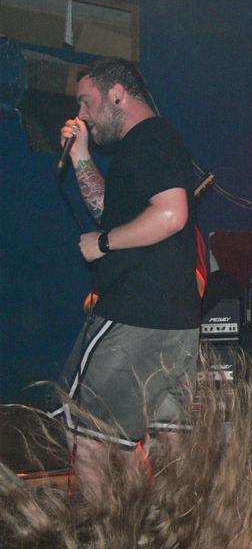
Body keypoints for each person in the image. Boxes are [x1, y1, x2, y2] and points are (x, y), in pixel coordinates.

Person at [53, 58, 200, 501]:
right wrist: (81, 156)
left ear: (117, 94)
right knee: (166, 440)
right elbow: (112, 212)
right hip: (173, 318)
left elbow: (171, 215)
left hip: (133, 312)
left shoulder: (150, 138)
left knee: (87, 434)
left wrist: (104, 243)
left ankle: (108, 529)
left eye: (87, 102)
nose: (82, 114)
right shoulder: (149, 144)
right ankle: (171, 527)